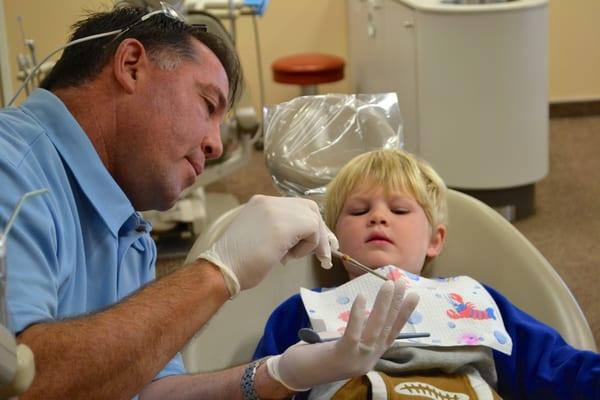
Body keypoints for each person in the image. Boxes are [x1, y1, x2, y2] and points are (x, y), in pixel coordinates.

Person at [0, 5, 418, 400]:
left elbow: (149, 389)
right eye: (207, 104)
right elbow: (22, 381)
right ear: (131, 66)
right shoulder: (11, 164)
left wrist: (277, 375)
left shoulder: (130, 233)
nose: (216, 144)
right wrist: (218, 274)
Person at [253, 148, 600, 399]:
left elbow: (556, 368)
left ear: (435, 240)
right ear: (332, 237)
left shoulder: (474, 301)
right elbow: (257, 385)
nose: (378, 217)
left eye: (399, 209)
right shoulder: (305, 310)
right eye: (359, 210)